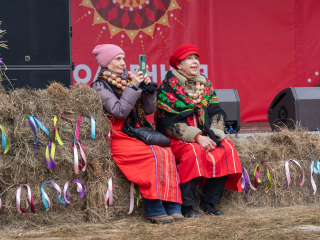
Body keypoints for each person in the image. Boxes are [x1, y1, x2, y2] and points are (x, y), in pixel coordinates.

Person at [91, 44, 183, 224]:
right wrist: (134, 87)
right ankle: (153, 208)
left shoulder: (129, 80)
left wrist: (148, 90)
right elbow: (119, 112)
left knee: (166, 153)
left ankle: (171, 204)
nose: (123, 63)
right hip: (118, 134)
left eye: (123, 58)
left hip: (136, 131)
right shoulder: (100, 85)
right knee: (152, 154)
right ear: (106, 62)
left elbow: (149, 109)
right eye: (117, 59)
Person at [155, 44, 242, 217]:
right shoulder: (168, 87)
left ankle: (209, 202)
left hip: (206, 134)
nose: (195, 62)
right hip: (178, 137)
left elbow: (216, 112)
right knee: (193, 152)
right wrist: (196, 137)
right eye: (189, 58)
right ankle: (187, 206)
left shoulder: (205, 84)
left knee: (226, 148)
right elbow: (168, 124)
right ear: (178, 65)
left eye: (196, 58)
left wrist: (215, 134)